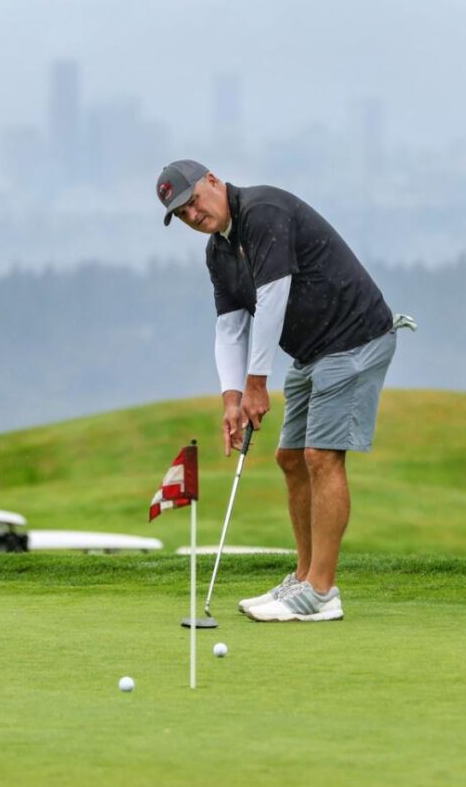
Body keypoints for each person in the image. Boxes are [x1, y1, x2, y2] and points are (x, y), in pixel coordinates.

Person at [156, 159, 411, 622]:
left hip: (356, 338)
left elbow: (272, 299)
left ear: (213, 182)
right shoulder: (219, 252)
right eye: (183, 214)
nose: (194, 215)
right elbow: (230, 328)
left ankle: (321, 591)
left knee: (321, 455)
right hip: (314, 351)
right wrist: (231, 400)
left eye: (194, 201)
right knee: (290, 457)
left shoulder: (263, 211)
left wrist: (257, 385)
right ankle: (304, 576)